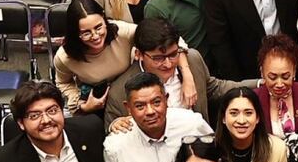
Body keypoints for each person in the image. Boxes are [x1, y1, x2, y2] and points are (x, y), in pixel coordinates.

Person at [54, 0, 198, 116]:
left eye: (99, 27)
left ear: (105, 20)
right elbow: (63, 83)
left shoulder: (121, 32)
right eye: (86, 33)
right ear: (75, 33)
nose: (95, 36)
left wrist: (187, 75)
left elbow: (167, 38)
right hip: (97, 103)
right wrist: (82, 104)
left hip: (133, 87)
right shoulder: (65, 57)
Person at [105, 17, 250, 131]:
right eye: (158, 58)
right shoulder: (120, 92)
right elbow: (114, 136)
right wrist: (116, 125)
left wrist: (260, 84)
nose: (168, 64)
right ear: (139, 54)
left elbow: (215, 88)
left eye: (173, 55)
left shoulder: (192, 61)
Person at [104, 72, 216, 162]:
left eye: (156, 102)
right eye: (140, 106)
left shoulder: (192, 124)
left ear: (166, 100)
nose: (150, 111)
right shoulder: (116, 146)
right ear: (128, 108)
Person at [212, 87, 290, 162]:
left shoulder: (277, 149)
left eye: (248, 113)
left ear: (257, 117)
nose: (241, 121)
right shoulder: (210, 148)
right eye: (234, 113)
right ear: (223, 118)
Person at [255, 34, 298, 137]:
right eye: (272, 77)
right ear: (262, 73)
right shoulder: (254, 99)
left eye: (285, 77)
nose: (279, 84)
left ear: (294, 71)